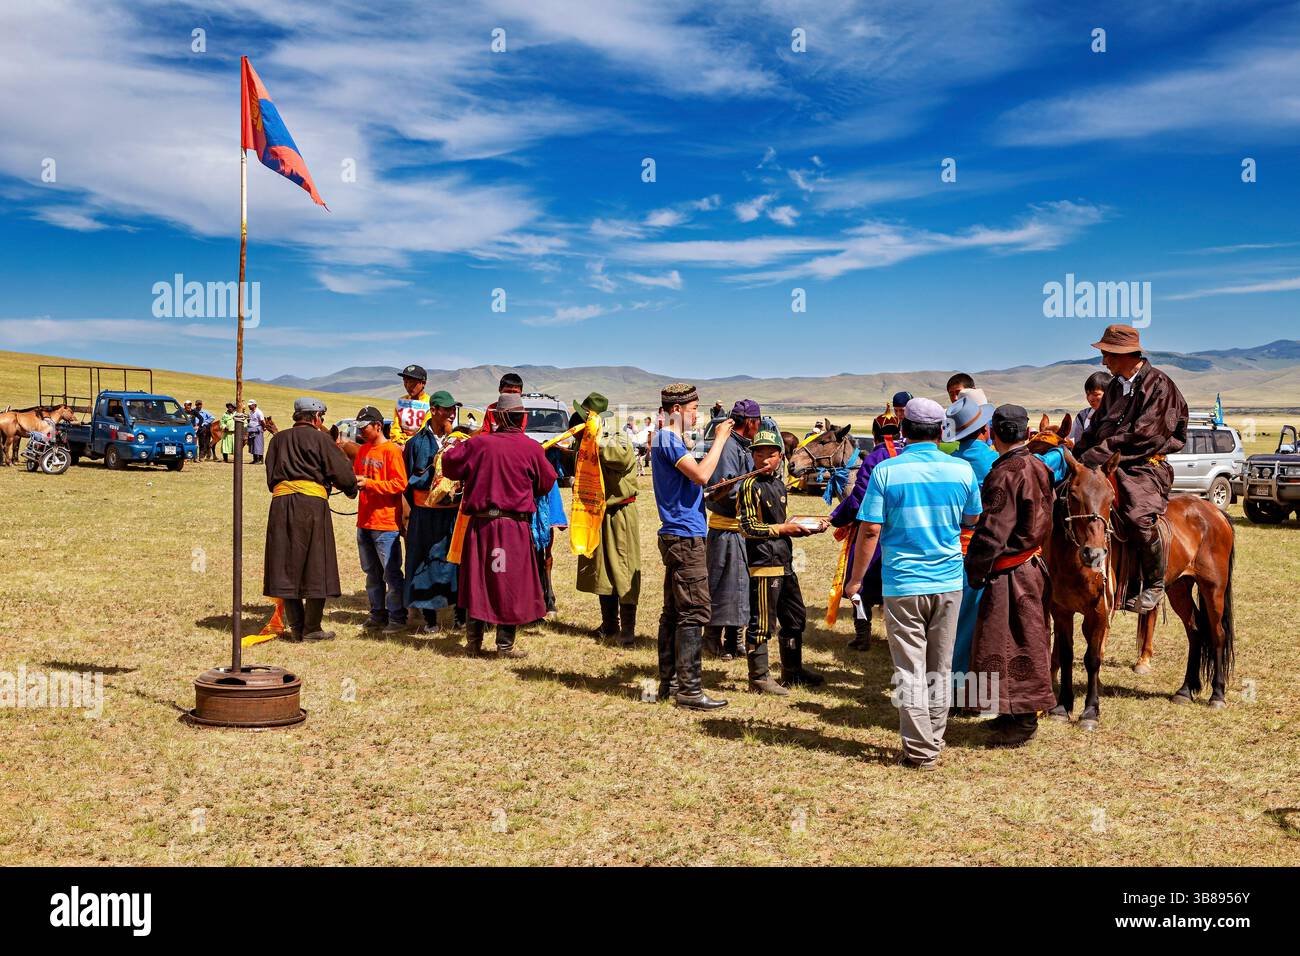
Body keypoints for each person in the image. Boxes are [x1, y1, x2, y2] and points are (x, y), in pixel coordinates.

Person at [844, 398, 981, 770]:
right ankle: (932, 739)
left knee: (910, 669)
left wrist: (855, 581)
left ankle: (921, 752)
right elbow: (971, 518)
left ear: (903, 431)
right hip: (950, 580)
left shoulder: (886, 471)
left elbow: (870, 528)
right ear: (941, 431)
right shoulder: (962, 471)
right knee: (940, 665)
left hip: (903, 583)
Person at [1073, 325, 1188, 612]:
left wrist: (1098, 453)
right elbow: (1097, 426)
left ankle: (1154, 582)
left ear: (1122, 354)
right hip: (1109, 462)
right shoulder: (1114, 386)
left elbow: (1145, 434)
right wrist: (1076, 455)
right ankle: (1095, 570)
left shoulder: (1160, 386)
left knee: (1137, 516)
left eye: (1107, 355)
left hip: (1144, 466)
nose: (1103, 362)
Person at [965, 405, 1057, 747]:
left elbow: (992, 531)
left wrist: (974, 568)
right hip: (1030, 565)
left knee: (1017, 641)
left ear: (994, 432)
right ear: (1025, 431)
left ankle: (1023, 720)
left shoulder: (1005, 473)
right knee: (1007, 640)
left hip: (1010, 570)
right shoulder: (1039, 465)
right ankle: (1009, 710)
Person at [441, 392, 557, 657]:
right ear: (521, 418)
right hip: (512, 528)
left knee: (478, 581)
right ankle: (504, 646)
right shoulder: (531, 448)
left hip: (482, 527)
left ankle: (474, 644)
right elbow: (546, 483)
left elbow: (449, 466)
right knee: (507, 582)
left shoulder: (478, 444)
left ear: (499, 417)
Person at [651, 382, 735, 709]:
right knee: (695, 611)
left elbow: (691, 486)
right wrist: (722, 441)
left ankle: (670, 682)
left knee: (674, 611)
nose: (697, 415)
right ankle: (689, 689)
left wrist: (708, 493)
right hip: (685, 537)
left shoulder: (669, 440)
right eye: (693, 410)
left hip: (679, 533)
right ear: (676, 411)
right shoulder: (668, 439)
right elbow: (700, 474)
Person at [737, 428, 829, 693]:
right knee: (763, 621)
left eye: (771, 454)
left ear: (780, 457)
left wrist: (806, 525)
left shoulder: (778, 485)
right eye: (759, 454)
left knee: (795, 616)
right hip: (764, 562)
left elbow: (781, 521)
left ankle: (792, 670)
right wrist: (783, 529)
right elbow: (748, 527)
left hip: (785, 559)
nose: (765, 459)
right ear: (752, 456)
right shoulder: (749, 486)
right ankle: (759, 678)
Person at [262, 397, 358, 641]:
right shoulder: (321, 438)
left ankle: (296, 627)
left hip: (281, 505)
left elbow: (271, 476)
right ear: (316, 418)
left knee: (286, 564)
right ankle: (312, 628)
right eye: (321, 418)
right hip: (311, 506)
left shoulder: (278, 440)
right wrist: (350, 488)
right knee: (317, 563)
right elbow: (344, 474)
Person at [829, 415, 905, 650]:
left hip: (876, 533)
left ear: (874, 436)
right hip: (904, 532)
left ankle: (863, 635)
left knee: (859, 582)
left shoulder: (874, 458)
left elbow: (859, 498)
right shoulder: (909, 455)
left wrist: (836, 518)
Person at [572, 392, 641, 647]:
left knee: (622, 568)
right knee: (601, 570)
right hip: (597, 512)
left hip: (619, 513)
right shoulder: (589, 439)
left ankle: (628, 630)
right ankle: (610, 624)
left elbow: (621, 457)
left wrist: (596, 439)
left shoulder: (616, 436)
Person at [942, 388, 998, 702]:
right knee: (972, 622)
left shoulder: (950, 460)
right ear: (985, 429)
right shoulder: (992, 460)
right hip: (980, 550)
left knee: (951, 621)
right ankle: (960, 691)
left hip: (949, 549)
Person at [403, 390, 466, 634]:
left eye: (453, 409)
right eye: (447, 409)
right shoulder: (415, 443)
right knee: (424, 562)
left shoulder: (459, 442)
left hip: (453, 514)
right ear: (434, 411)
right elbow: (407, 484)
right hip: (425, 513)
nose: (452, 413)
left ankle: (460, 614)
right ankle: (429, 618)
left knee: (456, 562)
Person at [703, 399, 762, 660]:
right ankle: (712, 640)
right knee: (723, 585)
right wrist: (755, 492)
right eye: (757, 421)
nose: (759, 426)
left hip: (740, 529)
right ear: (750, 422)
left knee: (740, 586)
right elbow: (723, 491)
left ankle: (734, 640)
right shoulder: (728, 448)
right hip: (726, 528)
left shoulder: (743, 447)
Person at [353, 405, 409, 634]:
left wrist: (370, 484)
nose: (361, 432)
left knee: (391, 573)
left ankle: (397, 617)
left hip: (385, 524)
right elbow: (356, 477)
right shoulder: (363, 450)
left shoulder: (391, 451)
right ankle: (377, 614)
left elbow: (400, 484)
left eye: (364, 427)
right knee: (371, 573)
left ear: (377, 425)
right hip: (364, 521)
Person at [1068, 370, 1113, 444]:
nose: (1090, 399)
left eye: (1095, 394)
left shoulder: (1118, 415)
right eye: (1088, 394)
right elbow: (1075, 440)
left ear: (1109, 393)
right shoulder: (1082, 416)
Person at [393, 364, 431, 448]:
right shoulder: (401, 402)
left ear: (423, 383)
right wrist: (399, 440)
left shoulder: (430, 403)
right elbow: (395, 426)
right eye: (405, 381)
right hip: (400, 444)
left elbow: (424, 430)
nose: (408, 386)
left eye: (412, 382)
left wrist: (408, 443)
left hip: (420, 446)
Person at [247, 400, 266, 464]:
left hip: (258, 429)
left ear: (254, 405)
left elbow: (262, 421)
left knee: (258, 445)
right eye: (249, 405)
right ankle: (255, 459)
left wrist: (264, 428)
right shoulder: (250, 412)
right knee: (252, 445)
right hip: (251, 430)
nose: (249, 406)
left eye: (250, 405)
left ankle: (260, 460)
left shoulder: (259, 412)